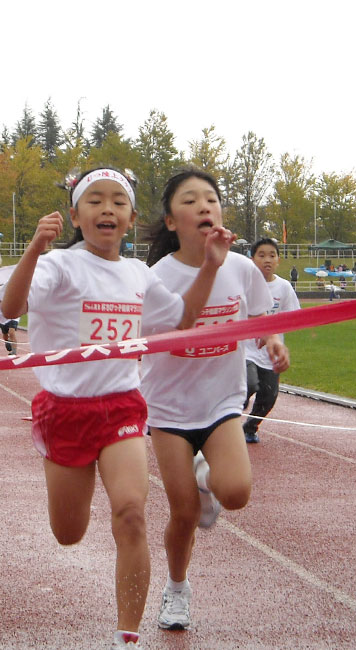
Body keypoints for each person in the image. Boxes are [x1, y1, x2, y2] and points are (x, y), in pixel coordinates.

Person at [1, 167, 233, 650]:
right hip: (64, 410)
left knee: (131, 514)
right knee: (68, 533)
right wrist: (33, 251)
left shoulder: (137, 275)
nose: (107, 209)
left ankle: (127, 638)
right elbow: (11, 307)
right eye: (95, 201)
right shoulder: (60, 265)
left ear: (129, 218)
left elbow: (183, 321)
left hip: (122, 407)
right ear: (75, 215)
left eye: (117, 202)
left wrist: (211, 265)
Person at [140, 170, 285, 631]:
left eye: (211, 199)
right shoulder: (156, 278)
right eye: (191, 200)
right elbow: (166, 333)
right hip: (168, 409)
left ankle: (208, 478)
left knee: (237, 494)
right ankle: (176, 590)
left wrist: (275, 341)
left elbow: (261, 319)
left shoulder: (242, 268)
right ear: (170, 221)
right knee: (183, 513)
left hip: (222, 402)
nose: (205, 206)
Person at [241, 237, 299, 444]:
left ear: (278, 260)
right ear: (252, 259)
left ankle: (250, 427)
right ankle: (227, 418)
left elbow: (293, 317)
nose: (267, 260)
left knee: (269, 396)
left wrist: (273, 335)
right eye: (262, 255)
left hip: (270, 353)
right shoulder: (244, 285)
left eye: (272, 255)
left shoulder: (283, 287)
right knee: (249, 383)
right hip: (246, 349)